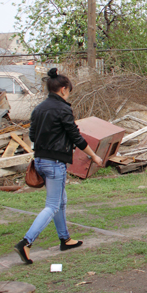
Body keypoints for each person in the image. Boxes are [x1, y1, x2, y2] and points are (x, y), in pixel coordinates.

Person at [14, 68, 103, 265]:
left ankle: (65, 239)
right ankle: (26, 242)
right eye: (68, 90)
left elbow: (32, 136)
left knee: (61, 200)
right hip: (55, 163)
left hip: (40, 160)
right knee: (53, 205)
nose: (68, 94)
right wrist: (94, 156)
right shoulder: (63, 109)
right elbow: (76, 136)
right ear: (63, 89)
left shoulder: (38, 109)